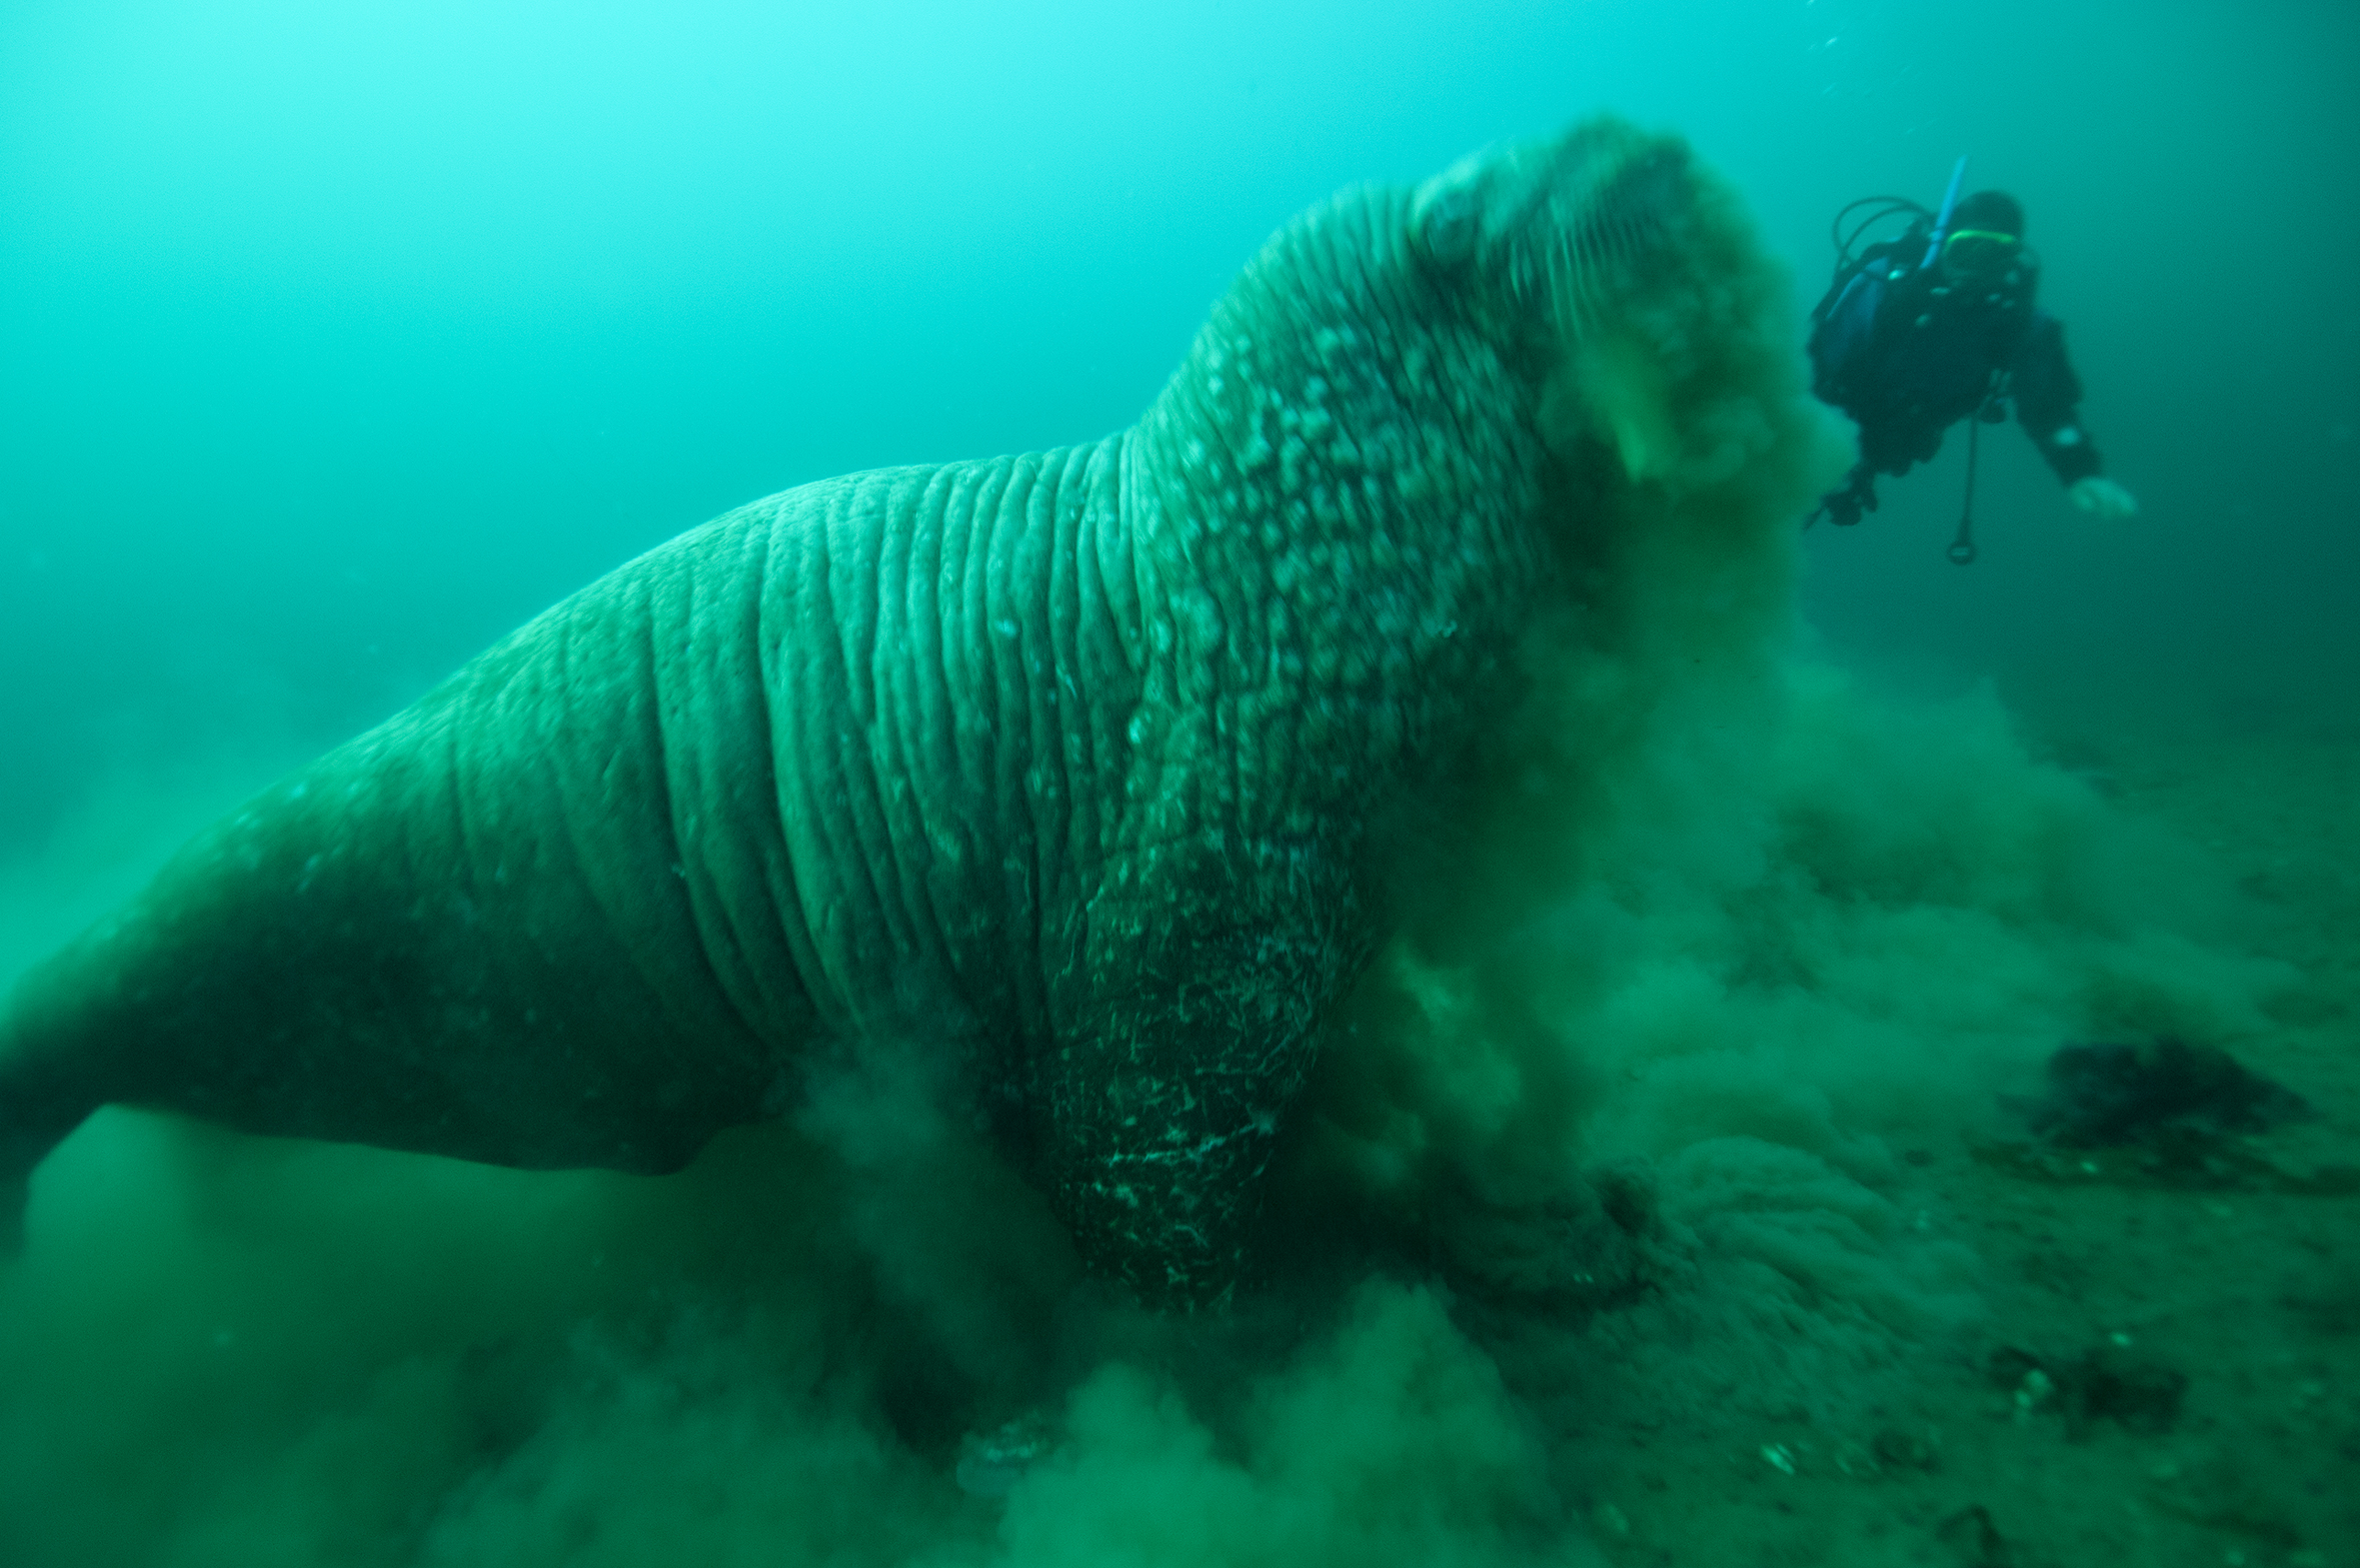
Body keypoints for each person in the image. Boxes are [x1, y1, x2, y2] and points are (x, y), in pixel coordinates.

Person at [1806, 188, 2137, 543]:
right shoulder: (1885, 287)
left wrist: (2081, 471)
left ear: (2012, 261)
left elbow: (2049, 407)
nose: (1976, 269)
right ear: (1943, 244)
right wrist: (1827, 454)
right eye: (1965, 248)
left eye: (1995, 254)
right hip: (1827, 429)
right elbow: (1815, 372)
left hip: (1897, 441)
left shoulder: (2022, 325)